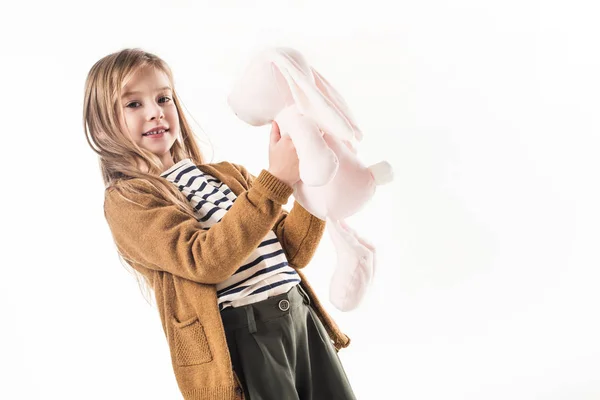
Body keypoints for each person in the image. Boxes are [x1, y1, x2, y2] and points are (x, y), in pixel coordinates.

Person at [83, 47, 356, 400]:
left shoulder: (227, 175)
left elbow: (292, 251)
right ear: (103, 124)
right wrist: (275, 181)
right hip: (247, 338)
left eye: (163, 98)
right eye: (133, 104)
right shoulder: (130, 200)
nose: (155, 112)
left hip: (302, 318)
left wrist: (312, 185)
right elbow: (204, 260)